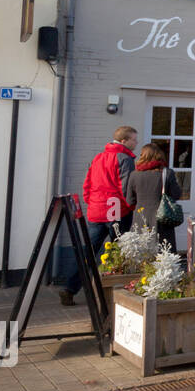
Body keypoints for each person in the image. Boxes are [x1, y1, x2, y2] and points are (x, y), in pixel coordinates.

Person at [60, 125, 138, 305]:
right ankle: (117, 293)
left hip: (96, 210)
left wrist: (91, 202)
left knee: (88, 251)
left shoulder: (98, 157)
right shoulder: (124, 158)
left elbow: (87, 185)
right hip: (116, 210)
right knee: (119, 251)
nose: (136, 143)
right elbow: (125, 188)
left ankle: (70, 289)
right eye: (134, 139)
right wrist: (130, 207)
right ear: (124, 141)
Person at [124, 142, 183, 251]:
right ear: (160, 155)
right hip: (162, 216)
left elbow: (130, 201)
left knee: (140, 250)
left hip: (140, 217)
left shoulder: (134, 174)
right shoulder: (167, 173)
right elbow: (177, 194)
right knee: (163, 251)